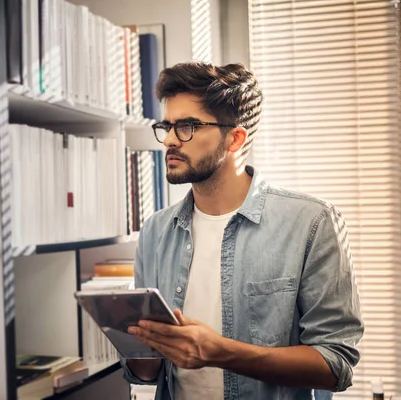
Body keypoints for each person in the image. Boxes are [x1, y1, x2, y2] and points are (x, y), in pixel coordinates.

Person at [120, 61, 364, 400]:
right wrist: (133, 339)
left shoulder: (312, 222)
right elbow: (146, 371)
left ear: (234, 139)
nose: (171, 140)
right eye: (168, 126)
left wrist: (218, 351)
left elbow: (335, 364)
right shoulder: (155, 232)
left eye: (188, 126)